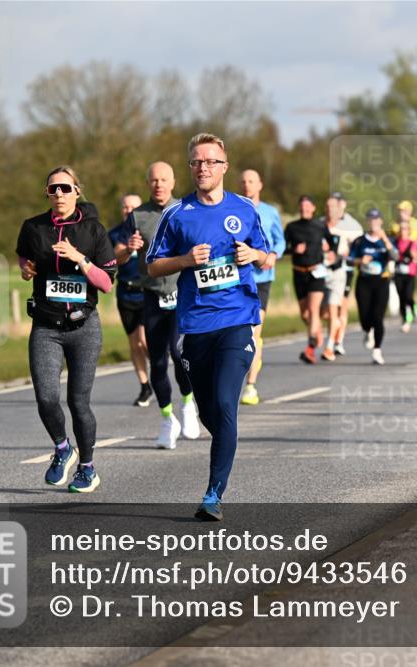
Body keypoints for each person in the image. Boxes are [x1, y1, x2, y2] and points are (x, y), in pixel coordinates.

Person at [146, 132, 270, 521]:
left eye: (211, 161)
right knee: (209, 413)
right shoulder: (176, 214)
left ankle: (214, 494)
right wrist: (184, 260)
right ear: (190, 168)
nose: (203, 167)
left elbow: (267, 256)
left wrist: (253, 254)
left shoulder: (244, 209)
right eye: (197, 162)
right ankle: (224, 441)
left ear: (224, 167)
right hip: (196, 325)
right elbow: (152, 266)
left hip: (237, 319)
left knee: (226, 403)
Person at [17, 166, 117, 492]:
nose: (58, 194)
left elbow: (106, 283)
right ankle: (62, 448)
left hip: (83, 326)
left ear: (77, 191)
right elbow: (24, 258)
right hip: (46, 326)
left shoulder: (93, 230)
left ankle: (87, 467)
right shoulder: (33, 228)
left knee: (78, 402)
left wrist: (80, 258)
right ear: (47, 194)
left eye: (65, 188)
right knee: (46, 398)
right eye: (52, 189)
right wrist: (26, 269)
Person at [115, 162, 200, 448]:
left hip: (181, 293)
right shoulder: (137, 216)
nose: (159, 184)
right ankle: (167, 419)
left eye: (164, 180)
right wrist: (128, 248)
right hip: (151, 296)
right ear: (148, 183)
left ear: (173, 182)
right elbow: (117, 256)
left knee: (178, 352)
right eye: (153, 180)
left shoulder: (187, 210)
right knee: (158, 360)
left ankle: (187, 403)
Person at [240, 169, 285, 405]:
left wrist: (274, 254)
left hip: (262, 278)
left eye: (251, 181)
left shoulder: (270, 212)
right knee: (239, 333)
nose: (247, 185)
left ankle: (250, 386)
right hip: (238, 278)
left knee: (254, 332)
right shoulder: (233, 209)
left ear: (260, 185)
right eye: (243, 182)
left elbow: (280, 240)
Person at [109, 194, 151, 406]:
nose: (128, 211)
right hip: (125, 292)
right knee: (134, 343)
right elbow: (111, 260)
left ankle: (159, 369)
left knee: (144, 340)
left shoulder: (149, 229)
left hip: (147, 292)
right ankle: (145, 386)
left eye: (133, 207)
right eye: (125, 207)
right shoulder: (115, 234)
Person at [284, 195, 332, 364]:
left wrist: (329, 248)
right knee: (305, 314)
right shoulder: (292, 227)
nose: (304, 209)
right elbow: (282, 248)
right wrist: (294, 250)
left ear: (313, 208)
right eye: (302, 206)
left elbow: (332, 242)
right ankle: (316, 332)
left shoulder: (320, 226)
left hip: (316, 272)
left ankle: (310, 349)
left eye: (307, 206)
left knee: (313, 310)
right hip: (299, 273)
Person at [349, 209, 398, 364]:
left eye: (376, 220)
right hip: (364, 281)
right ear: (367, 222)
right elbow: (350, 259)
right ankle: (367, 330)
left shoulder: (387, 240)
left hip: (381, 281)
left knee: (378, 316)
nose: (374, 223)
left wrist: (385, 240)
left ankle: (377, 350)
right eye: (371, 219)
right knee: (364, 316)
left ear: (381, 221)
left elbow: (395, 256)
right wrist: (360, 261)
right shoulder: (359, 241)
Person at [328, 192, 364, 356]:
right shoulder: (324, 222)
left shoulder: (353, 225)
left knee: (342, 305)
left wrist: (350, 253)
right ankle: (332, 333)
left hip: (346, 269)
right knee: (329, 307)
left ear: (344, 204)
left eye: (339, 203)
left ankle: (338, 340)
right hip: (327, 269)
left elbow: (360, 247)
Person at [320, 196, 350, 361]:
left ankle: (330, 346)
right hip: (319, 272)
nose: (330, 210)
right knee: (320, 313)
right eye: (327, 206)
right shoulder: (319, 225)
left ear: (339, 210)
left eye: (333, 207)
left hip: (338, 273)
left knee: (333, 309)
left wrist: (341, 254)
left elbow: (351, 250)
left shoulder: (345, 228)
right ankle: (335, 327)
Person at [393, 219, 417, 333]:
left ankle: (413, 306)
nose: (403, 231)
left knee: (408, 295)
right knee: (401, 297)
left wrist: (414, 255)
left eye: (405, 228)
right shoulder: (395, 242)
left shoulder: (413, 243)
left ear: (409, 230)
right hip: (398, 273)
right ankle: (405, 319)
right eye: (401, 229)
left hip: (410, 273)